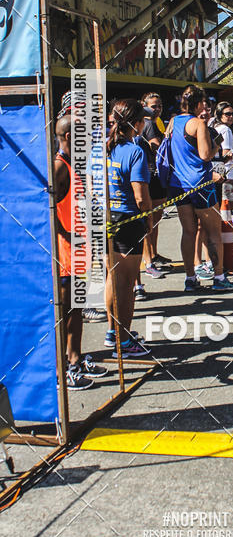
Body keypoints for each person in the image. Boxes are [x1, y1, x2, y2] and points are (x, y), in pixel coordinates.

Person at [54, 115, 108, 389]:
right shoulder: (58, 167)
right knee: (66, 311)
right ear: (68, 138)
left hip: (79, 252)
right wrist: (66, 236)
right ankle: (63, 368)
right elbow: (47, 212)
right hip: (65, 256)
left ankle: (75, 357)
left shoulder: (73, 165)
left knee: (77, 309)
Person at [168, 86, 233, 292]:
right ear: (198, 104)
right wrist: (217, 144)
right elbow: (206, 155)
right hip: (201, 183)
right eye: (203, 103)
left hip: (178, 184)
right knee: (213, 231)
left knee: (188, 232)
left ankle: (190, 278)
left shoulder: (173, 122)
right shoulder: (197, 123)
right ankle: (219, 277)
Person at [104, 99, 152, 358]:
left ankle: (113, 333)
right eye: (143, 120)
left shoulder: (101, 148)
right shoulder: (135, 152)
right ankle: (123, 341)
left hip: (104, 218)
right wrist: (149, 217)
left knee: (112, 277)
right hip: (128, 220)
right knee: (126, 283)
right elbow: (142, 197)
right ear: (136, 124)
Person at [137, 92, 171, 278]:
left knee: (155, 219)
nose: (157, 109)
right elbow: (155, 145)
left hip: (156, 175)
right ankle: (148, 260)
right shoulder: (148, 123)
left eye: (159, 105)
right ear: (144, 105)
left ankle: (154, 254)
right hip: (150, 175)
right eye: (153, 106)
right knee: (149, 221)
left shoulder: (157, 122)